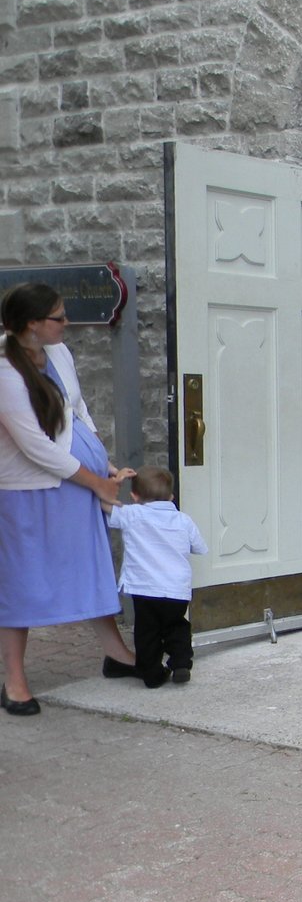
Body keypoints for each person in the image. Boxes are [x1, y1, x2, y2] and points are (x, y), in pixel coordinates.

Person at [0, 282, 142, 717]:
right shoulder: (5, 370)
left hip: (75, 481)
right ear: (32, 324)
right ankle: (14, 682)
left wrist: (104, 462)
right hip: (30, 489)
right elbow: (34, 447)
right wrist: (95, 483)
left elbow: (77, 412)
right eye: (59, 317)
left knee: (89, 563)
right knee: (22, 580)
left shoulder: (58, 352)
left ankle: (116, 654)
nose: (68, 323)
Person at [105, 466, 208, 688]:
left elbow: (104, 504)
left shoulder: (131, 514)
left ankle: (152, 674)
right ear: (171, 497)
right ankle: (181, 663)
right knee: (177, 626)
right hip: (176, 589)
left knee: (147, 632)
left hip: (144, 589)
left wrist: (116, 480)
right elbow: (199, 547)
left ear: (134, 496)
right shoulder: (183, 520)